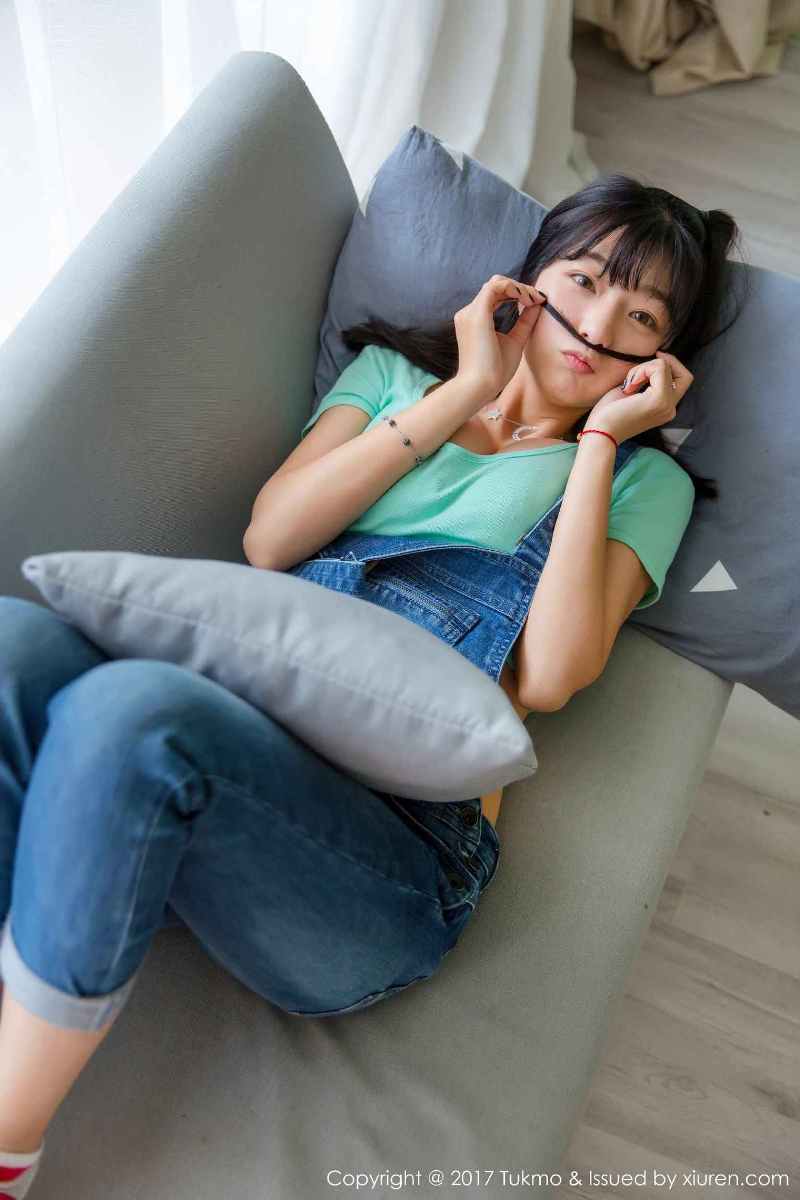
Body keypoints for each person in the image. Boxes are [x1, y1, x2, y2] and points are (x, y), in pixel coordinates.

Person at [0, 172, 746, 1197]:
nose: (599, 326)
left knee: (134, 716)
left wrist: (599, 443)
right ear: (527, 280)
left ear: (661, 359)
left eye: (642, 317)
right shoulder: (395, 377)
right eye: (583, 280)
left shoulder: (638, 480)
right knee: (15, 646)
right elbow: (271, 541)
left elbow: (551, 673)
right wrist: (463, 392)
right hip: (243, 741)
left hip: (392, 854)